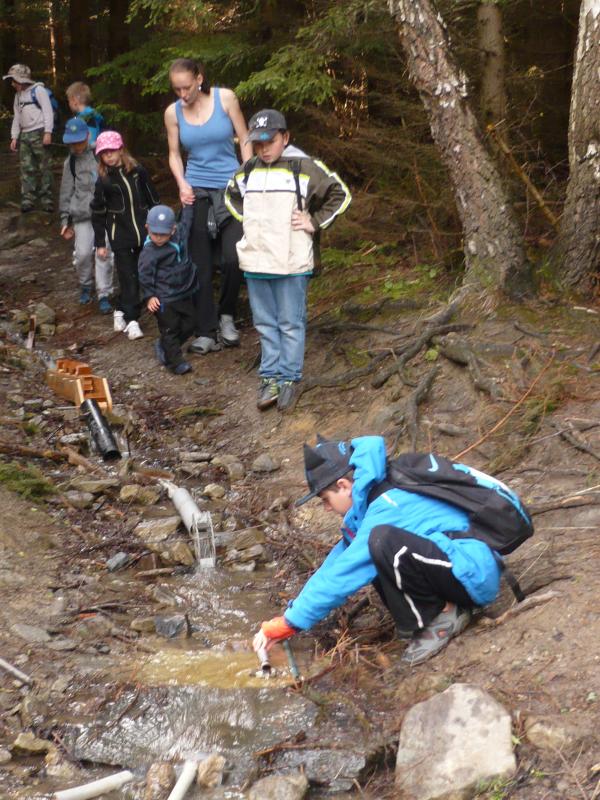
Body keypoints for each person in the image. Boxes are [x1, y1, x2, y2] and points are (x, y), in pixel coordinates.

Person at [253, 435, 528, 665]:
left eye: (325, 500)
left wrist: (290, 624)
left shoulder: (388, 504)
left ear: (343, 486)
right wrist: (289, 616)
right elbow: (338, 562)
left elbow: (346, 571)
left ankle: (446, 615)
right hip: (454, 564)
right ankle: (431, 614)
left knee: (381, 541)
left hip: (473, 573)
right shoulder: (373, 500)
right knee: (374, 543)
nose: (326, 508)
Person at [225, 109, 351, 412]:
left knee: (290, 323)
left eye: (270, 141)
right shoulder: (248, 170)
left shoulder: (304, 167)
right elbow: (231, 196)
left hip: (292, 260)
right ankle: (269, 377)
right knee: (266, 323)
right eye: (258, 143)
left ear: (285, 138)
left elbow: (340, 194)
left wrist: (314, 221)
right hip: (256, 261)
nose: (264, 148)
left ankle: (290, 379)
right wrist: (252, 223)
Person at [164, 57, 252, 354]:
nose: (182, 95)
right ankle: (205, 330)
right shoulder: (172, 113)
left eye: (186, 87)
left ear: (199, 79)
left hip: (230, 188)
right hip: (197, 190)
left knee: (232, 257)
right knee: (198, 262)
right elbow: (174, 154)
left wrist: (246, 173)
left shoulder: (225, 98)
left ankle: (227, 316)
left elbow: (245, 137)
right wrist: (181, 183)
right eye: (177, 89)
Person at [90, 130, 159, 340]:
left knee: (139, 275)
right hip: (120, 236)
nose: (109, 156)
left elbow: (152, 198)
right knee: (128, 277)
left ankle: (120, 309)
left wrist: (158, 223)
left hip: (143, 232)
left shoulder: (137, 171)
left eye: (112, 151)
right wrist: (100, 243)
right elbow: (98, 213)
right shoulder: (104, 181)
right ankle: (132, 321)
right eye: (104, 153)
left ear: (121, 149)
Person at [58, 117, 113, 314]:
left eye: (80, 141)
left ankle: (104, 292)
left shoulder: (101, 155)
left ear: (88, 136)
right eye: (73, 142)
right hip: (82, 215)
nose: (77, 146)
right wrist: (65, 220)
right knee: (82, 254)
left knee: (103, 252)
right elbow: (66, 192)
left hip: (105, 213)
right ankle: (85, 284)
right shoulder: (70, 163)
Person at [138, 204, 200, 375]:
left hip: (184, 292)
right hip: (164, 298)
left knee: (191, 323)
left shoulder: (180, 233)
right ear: (147, 228)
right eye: (154, 233)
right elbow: (144, 275)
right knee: (170, 329)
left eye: (163, 234)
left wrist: (188, 205)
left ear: (173, 230)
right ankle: (176, 363)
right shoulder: (149, 252)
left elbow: (186, 221)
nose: (158, 238)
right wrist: (149, 296)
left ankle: (165, 346)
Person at [3, 64, 54, 213]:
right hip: (25, 135)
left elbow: (48, 112)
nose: (12, 84)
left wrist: (48, 132)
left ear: (22, 79)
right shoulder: (17, 96)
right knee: (27, 169)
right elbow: (17, 117)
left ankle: (47, 200)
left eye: (14, 80)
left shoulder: (39, 91)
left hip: (40, 133)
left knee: (44, 168)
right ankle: (28, 199)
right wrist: (14, 137)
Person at [65, 81, 105, 148]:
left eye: (69, 101)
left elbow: (91, 138)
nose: (69, 104)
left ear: (74, 100)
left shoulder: (88, 117)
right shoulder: (85, 115)